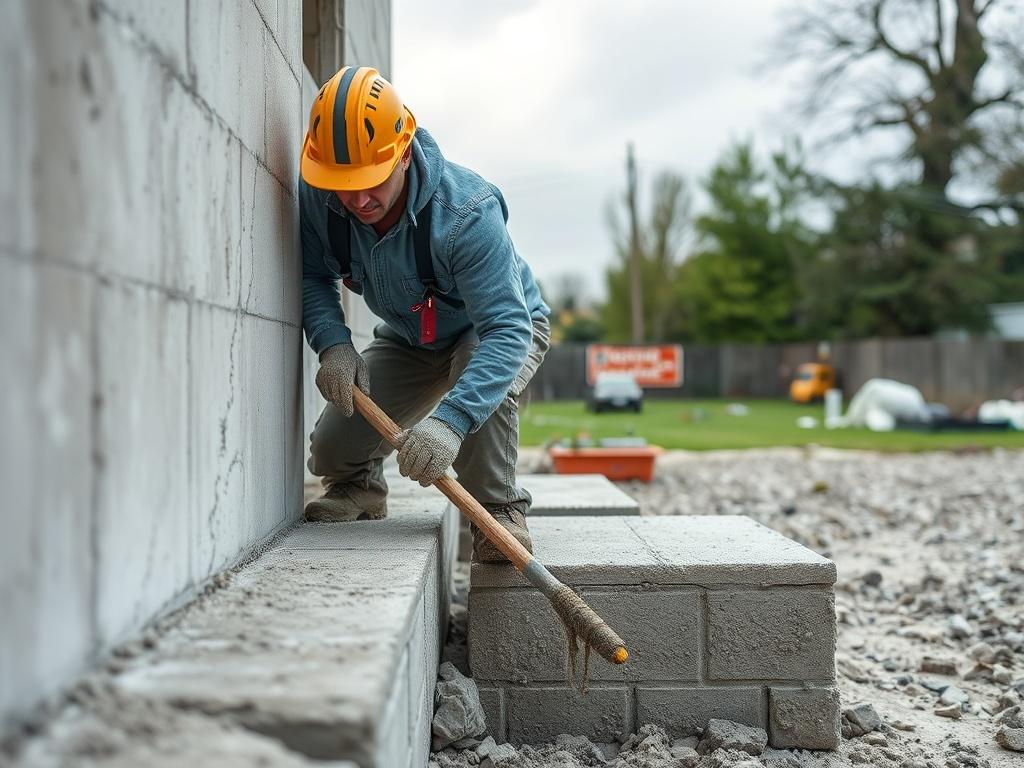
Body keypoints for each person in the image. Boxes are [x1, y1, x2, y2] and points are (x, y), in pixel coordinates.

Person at [299, 65, 550, 562]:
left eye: (371, 180)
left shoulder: (467, 213)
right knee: (332, 446)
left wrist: (451, 420)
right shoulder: (324, 198)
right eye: (343, 185)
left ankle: (498, 512)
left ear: (404, 152)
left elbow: (506, 330)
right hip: (411, 338)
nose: (358, 199)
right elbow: (311, 276)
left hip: (495, 330)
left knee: (479, 395)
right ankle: (359, 489)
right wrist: (333, 344)